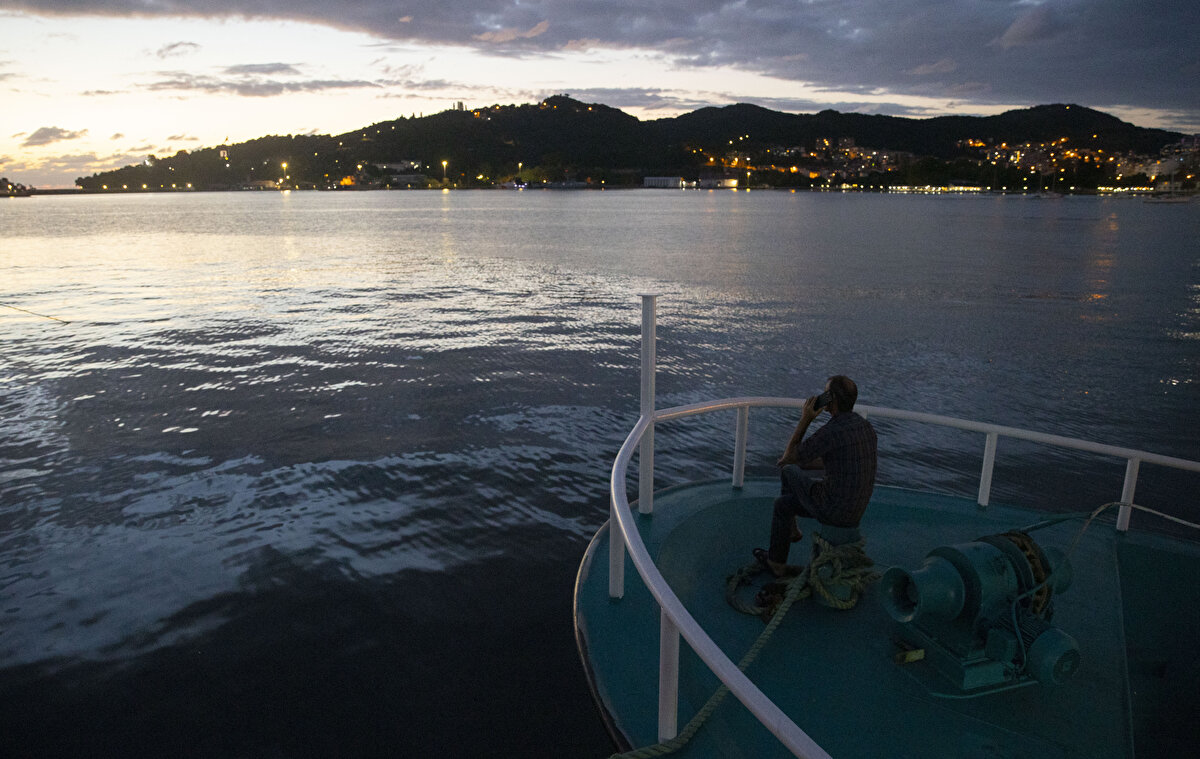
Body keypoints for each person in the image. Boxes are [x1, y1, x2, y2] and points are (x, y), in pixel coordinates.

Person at [758, 375, 877, 577]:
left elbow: (787, 459)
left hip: (832, 509)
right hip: (855, 509)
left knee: (787, 473)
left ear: (831, 399)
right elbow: (837, 460)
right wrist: (802, 462)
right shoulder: (866, 428)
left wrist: (806, 418)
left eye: (825, 394)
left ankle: (787, 542)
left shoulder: (832, 431)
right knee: (785, 501)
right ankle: (790, 534)